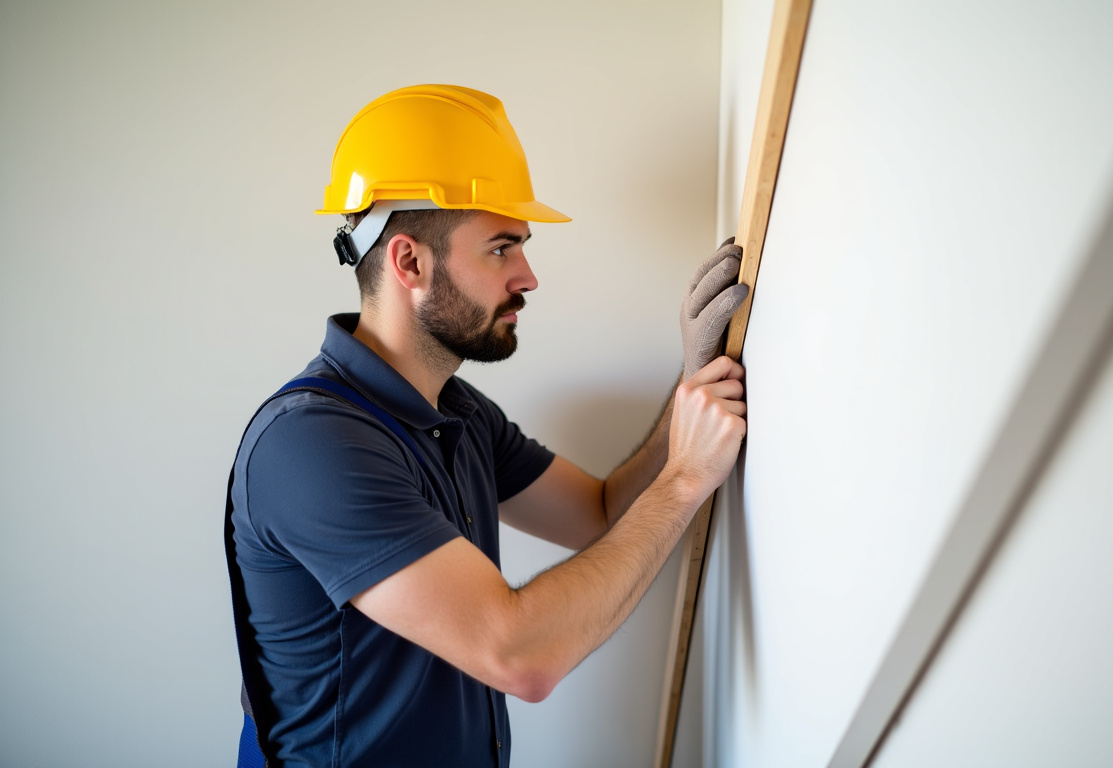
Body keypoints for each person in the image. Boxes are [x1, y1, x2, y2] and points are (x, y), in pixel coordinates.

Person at [225, 84, 749, 767]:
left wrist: (689, 391)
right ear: (408, 261)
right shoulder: (311, 445)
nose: (528, 276)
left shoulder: (459, 412)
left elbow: (600, 514)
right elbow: (518, 654)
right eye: (501, 248)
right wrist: (682, 482)